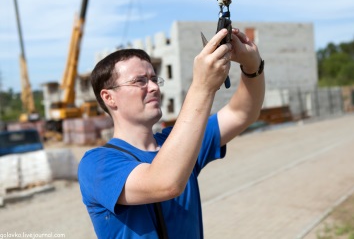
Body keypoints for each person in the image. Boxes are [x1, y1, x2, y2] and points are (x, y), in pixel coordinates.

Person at [78, 28, 265, 239]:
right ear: (109, 98)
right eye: (139, 81)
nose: (153, 88)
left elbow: (242, 113)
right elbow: (165, 183)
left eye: (153, 79)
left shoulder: (178, 140)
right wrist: (202, 86)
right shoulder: (96, 164)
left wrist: (252, 65)